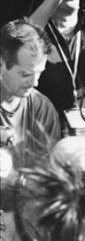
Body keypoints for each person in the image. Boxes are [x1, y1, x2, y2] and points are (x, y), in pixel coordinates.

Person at [0, 20, 61, 160]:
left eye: (39, 72)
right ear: (1, 63)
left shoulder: (43, 109)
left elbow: (48, 172)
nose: (35, 82)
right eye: (25, 74)